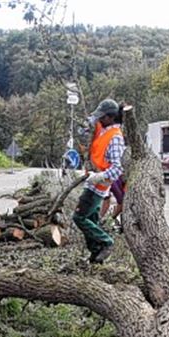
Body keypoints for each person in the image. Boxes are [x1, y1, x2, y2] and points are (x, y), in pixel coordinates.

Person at [75, 98, 125, 264]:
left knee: (79, 217)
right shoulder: (102, 129)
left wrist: (100, 176)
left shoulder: (115, 137)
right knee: (92, 220)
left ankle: (106, 242)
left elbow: (118, 168)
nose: (99, 119)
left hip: (98, 184)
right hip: (93, 181)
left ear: (111, 117)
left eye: (102, 117)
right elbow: (83, 130)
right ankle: (96, 256)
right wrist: (87, 122)